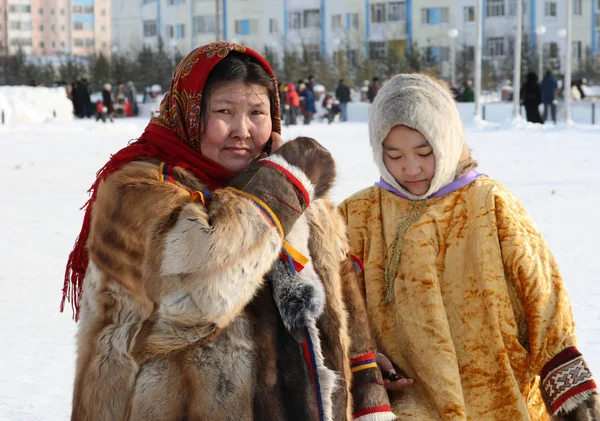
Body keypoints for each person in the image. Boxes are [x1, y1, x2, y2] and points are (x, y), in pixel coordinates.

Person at [62, 42, 396, 421]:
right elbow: (202, 297)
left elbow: (340, 296)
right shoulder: (138, 189)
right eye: (224, 112)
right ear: (190, 114)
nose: (242, 130)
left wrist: (369, 393)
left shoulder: (286, 187)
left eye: (257, 112)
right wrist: (284, 186)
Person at [339, 74, 599, 420]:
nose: (411, 168)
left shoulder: (488, 202)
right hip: (409, 400)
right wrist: (364, 357)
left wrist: (569, 385)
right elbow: (337, 301)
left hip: (497, 395)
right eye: (394, 154)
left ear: (446, 140)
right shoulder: (360, 214)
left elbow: (542, 290)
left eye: (424, 151)